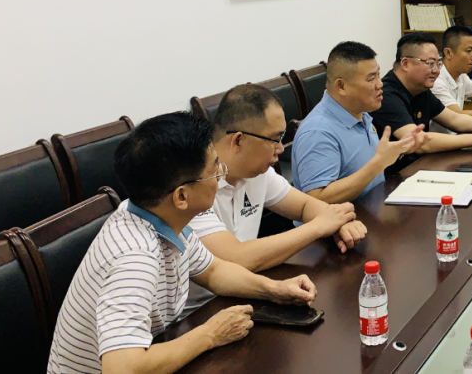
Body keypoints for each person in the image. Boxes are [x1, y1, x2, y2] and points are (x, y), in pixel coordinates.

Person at [47, 112, 317, 374]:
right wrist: (210, 334)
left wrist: (274, 289)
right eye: (214, 170)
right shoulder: (135, 257)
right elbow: (122, 368)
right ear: (181, 197)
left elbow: (214, 272)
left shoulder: (160, 216)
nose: (221, 175)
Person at [188, 84, 368, 272]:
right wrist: (318, 227)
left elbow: (304, 206)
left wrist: (339, 224)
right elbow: (236, 259)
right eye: (275, 139)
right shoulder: (194, 185)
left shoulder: (256, 173)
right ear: (238, 140)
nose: (281, 149)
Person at [292, 41, 427, 205]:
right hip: (348, 220)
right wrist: (379, 164)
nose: (380, 84)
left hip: (376, 209)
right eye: (371, 78)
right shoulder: (318, 131)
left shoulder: (360, 113)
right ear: (341, 86)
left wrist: (398, 151)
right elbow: (317, 198)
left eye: (378, 75)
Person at [371, 32, 472, 172]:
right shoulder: (386, 95)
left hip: (420, 166)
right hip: (394, 176)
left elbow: (455, 119)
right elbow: (419, 142)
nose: (436, 70)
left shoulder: (421, 89)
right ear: (405, 63)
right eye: (430, 63)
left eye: (438, 64)